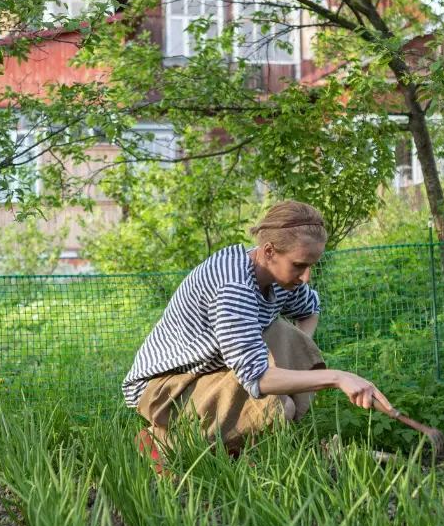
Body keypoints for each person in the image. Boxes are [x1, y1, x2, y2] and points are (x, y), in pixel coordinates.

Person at [123, 200, 396, 471]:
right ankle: (162, 443)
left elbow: (309, 309)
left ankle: (239, 446)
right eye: (299, 265)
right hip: (164, 387)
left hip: (208, 372)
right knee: (278, 409)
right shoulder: (234, 286)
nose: (306, 277)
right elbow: (257, 378)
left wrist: (294, 363)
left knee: (283, 334)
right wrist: (338, 378)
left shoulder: (277, 278)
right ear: (269, 251)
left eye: (311, 266)